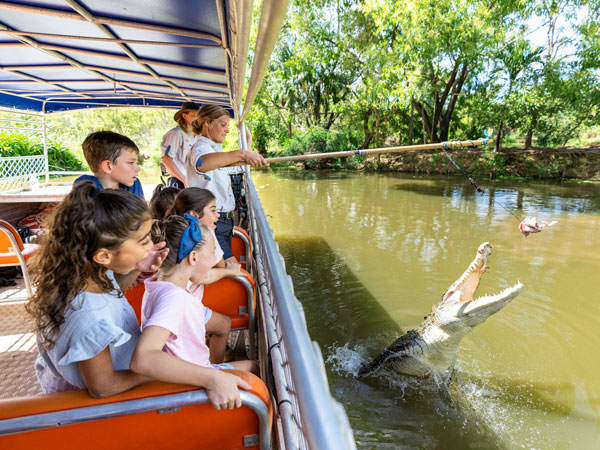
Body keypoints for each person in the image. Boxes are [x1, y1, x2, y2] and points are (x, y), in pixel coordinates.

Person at [27, 182, 168, 397]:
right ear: (103, 255)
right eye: (143, 242)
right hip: (86, 410)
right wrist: (154, 371)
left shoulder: (90, 275)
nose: (151, 247)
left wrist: (137, 267)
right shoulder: (87, 316)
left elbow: (112, 295)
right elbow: (103, 386)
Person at [131, 214, 257, 411]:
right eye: (213, 253)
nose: (215, 261)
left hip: (191, 373)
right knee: (256, 370)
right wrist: (213, 377)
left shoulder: (158, 283)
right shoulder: (174, 298)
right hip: (192, 386)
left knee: (252, 366)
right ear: (194, 257)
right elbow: (144, 357)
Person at [187, 105, 267, 264]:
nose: (227, 130)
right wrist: (242, 153)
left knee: (226, 267)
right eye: (223, 125)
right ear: (207, 123)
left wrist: (248, 141)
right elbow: (203, 163)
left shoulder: (215, 151)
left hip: (225, 222)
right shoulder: (200, 148)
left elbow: (238, 167)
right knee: (230, 268)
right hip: (211, 222)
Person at [173, 187, 243, 363]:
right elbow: (201, 275)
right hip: (185, 307)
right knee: (224, 325)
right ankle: (214, 367)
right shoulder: (205, 234)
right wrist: (230, 270)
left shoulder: (173, 231)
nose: (218, 215)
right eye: (212, 210)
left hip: (185, 304)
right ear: (194, 214)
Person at [73, 131, 144, 198]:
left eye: (136, 163)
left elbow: (143, 210)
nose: (138, 168)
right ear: (108, 166)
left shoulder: (134, 186)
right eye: (131, 163)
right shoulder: (85, 190)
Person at [160, 101, 200, 188]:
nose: (196, 119)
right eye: (193, 116)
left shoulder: (194, 136)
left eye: (198, 116)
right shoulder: (176, 133)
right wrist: (184, 180)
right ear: (184, 116)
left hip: (192, 180)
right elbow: (166, 159)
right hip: (181, 182)